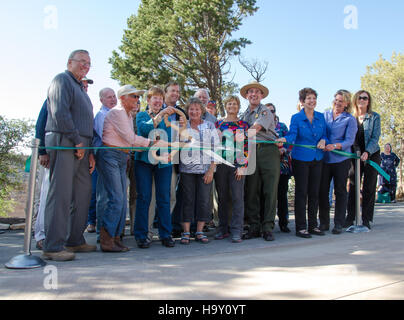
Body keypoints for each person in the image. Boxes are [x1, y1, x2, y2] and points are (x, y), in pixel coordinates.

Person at [42, 49, 96, 261]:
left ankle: (75, 240)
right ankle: (53, 246)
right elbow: (59, 113)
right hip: (65, 141)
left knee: (83, 195)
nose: (85, 66)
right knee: (61, 195)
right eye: (82, 61)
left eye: (89, 63)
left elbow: (86, 122)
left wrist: (89, 151)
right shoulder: (61, 80)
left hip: (83, 147)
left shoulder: (80, 88)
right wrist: (76, 140)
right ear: (69, 62)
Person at [97, 85, 150, 252]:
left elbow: (128, 141)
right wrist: (152, 143)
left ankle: (115, 237)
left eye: (138, 97)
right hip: (110, 155)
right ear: (123, 98)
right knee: (116, 198)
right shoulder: (118, 113)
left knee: (121, 199)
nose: (137, 100)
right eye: (134, 96)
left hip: (120, 156)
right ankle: (107, 239)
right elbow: (130, 137)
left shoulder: (127, 115)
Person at [277, 88, 327, 239]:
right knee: (301, 193)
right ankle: (301, 227)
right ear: (302, 102)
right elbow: (292, 135)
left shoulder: (321, 117)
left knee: (314, 193)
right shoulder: (296, 118)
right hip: (301, 160)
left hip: (317, 158)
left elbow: (325, 134)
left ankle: (313, 225)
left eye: (314, 98)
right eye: (308, 98)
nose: (312, 101)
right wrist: (284, 140)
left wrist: (324, 140)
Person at [134, 86, 176, 249]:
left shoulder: (169, 119)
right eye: (155, 98)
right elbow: (144, 130)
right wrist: (159, 116)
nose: (158, 101)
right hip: (144, 161)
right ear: (148, 100)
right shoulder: (141, 115)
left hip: (164, 161)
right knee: (144, 197)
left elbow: (171, 137)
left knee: (164, 198)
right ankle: (141, 235)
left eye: (160, 98)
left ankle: (166, 234)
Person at [240, 81, 280, 241]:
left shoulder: (265, 111)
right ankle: (254, 226)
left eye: (257, 92)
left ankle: (268, 227)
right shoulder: (244, 114)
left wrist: (235, 136)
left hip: (268, 151)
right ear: (247, 95)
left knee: (270, 191)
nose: (253, 94)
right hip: (250, 151)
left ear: (261, 95)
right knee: (252, 190)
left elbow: (255, 129)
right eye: (250, 92)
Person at [179, 97, 219, 244]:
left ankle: (200, 231)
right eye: (191, 109)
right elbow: (177, 146)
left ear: (202, 110)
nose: (194, 111)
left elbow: (216, 148)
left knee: (204, 200)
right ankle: (186, 232)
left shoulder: (209, 126)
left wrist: (211, 170)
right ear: (187, 111)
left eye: (197, 109)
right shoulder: (183, 126)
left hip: (205, 170)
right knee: (187, 200)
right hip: (187, 170)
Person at [318, 90, 358, 234]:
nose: (337, 103)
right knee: (322, 191)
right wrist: (325, 142)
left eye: (341, 101)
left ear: (346, 103)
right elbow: (322, 133)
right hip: (325, 159)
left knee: (340, 191)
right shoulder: (325, 115)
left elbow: (349, 141)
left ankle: (339, 223)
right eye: (336, 100)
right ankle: (323, 222)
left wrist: (334, 146)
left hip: (341, 159)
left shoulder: (350, 119)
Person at [214, 95, 249, 243]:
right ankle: (223, 229)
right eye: (229, 103)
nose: (232, 106)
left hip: (237, 164)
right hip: (221, 163)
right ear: (225, 106)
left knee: (237, 198)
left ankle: (237, 231)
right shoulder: (218, 123)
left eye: (235, 104)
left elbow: (247, 146)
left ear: (238, 106)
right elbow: (214, 145)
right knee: (222, 198)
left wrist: (242, 166)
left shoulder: (243, 124)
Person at [346, 90, 381, 229]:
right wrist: (357, 152)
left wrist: (367, 152)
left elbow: (375, 137)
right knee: (353, 186)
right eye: (360, 97)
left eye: (365, 98)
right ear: (356, 100)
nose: (362, 100)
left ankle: (366, 219)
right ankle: (350, 217)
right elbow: (350, 137)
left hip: (372, 154)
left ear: (368, 101)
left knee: (369, 187)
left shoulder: (374, 117)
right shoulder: (351, 117)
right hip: (355, 155)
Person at [91, 88, 118, 241]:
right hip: (105, 157)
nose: (113, 99)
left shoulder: (114, 114)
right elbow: (105, 139)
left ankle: (111, 232)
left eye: (114, 96)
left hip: (116, 158)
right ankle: (102, 232)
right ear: (101, 100)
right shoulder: (102, 116)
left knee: (113, 196)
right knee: (104, 197)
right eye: (109, 97)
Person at [266, 103, 292, 233]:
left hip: (282, 166)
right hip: (266, 166)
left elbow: (290, 142)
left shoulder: (282, 126)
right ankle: (265, 222)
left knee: (282, 195)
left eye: (272, 111)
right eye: (267, 111)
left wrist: (284, 149)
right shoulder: (262, 126)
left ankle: (283, 222)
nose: (270, 113)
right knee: (267, 195)